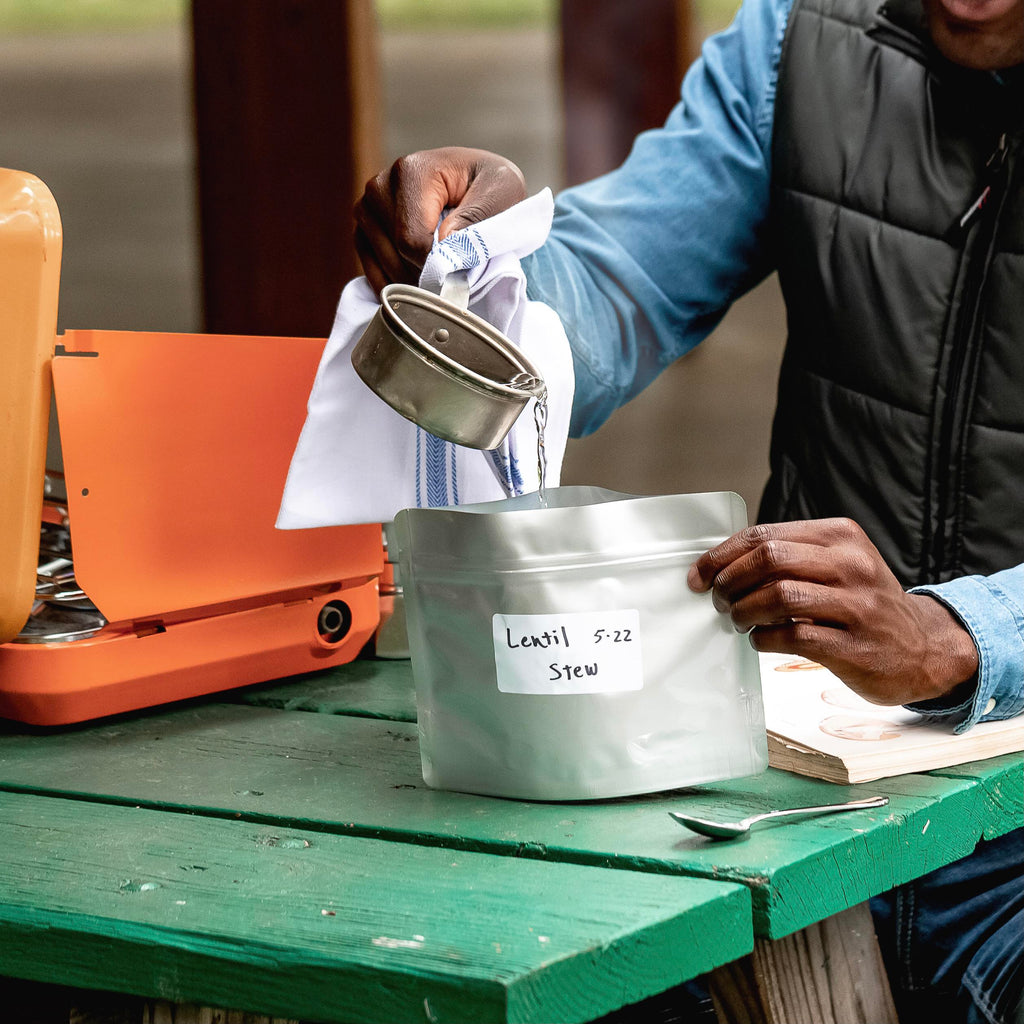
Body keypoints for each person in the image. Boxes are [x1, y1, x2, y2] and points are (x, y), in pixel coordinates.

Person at [352, 0, 1023, 1020]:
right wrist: (482, 272)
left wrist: (960, 635)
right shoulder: (800, 39)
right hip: (783, 798)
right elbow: (624, 271)